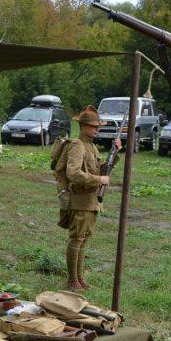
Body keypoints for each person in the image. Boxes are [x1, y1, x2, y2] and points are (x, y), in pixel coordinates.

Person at [53, 105, 119, 290]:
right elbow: (72, 173)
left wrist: (115, 153)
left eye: (98, 126)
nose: (97, 129)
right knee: (76, 239)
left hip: (91, 200)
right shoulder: (77, 145)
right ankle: (72, 279)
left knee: (84, 239)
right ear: (83, 126)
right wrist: (99, 179)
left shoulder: (91, 146)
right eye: (94, 126)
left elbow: (100, 169)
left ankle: (79, 277)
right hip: (80, 199)